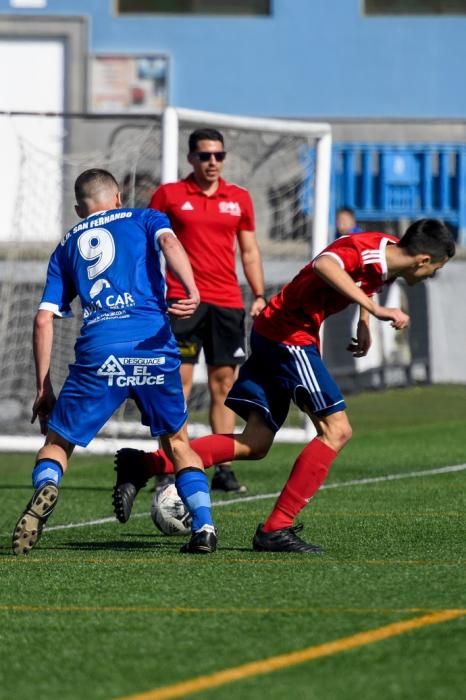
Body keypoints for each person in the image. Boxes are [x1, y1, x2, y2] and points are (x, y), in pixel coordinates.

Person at [113, 218, 455, 553]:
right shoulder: (367, 251)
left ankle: (145, 465)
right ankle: (276, 528)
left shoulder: (385, 250)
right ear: (423, 260)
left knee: (255, 442)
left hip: (276, 331)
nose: (432, 276)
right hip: (289, 337)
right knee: (337, 430)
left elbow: (365, 279)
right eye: (435, 269)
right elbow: (325, 265)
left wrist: (364, 321)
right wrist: (376, 310)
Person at [12, 168, 217, 556]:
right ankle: (204, 525)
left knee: (57, 443)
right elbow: (171, 243)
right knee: (177, 442)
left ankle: (47, 487)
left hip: (100, 350)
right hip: (152, 343)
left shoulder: (66, 246)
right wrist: (191, 287)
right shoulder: (145, 218)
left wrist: (44, 387)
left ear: (79, 209)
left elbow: (43, 319)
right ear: (118, 197)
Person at [130, 127, 266, 493]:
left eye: (219, 156)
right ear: (191, 158)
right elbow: (145, 244)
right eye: (205, 155)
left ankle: (222, 468)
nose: (212, 162)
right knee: (178, 385)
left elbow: (249, 251)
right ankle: (172, 464)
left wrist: (258, 293)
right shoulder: (169, 195)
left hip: (226, 304)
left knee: (225, 385)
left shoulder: (238, 198)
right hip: (182, 302)